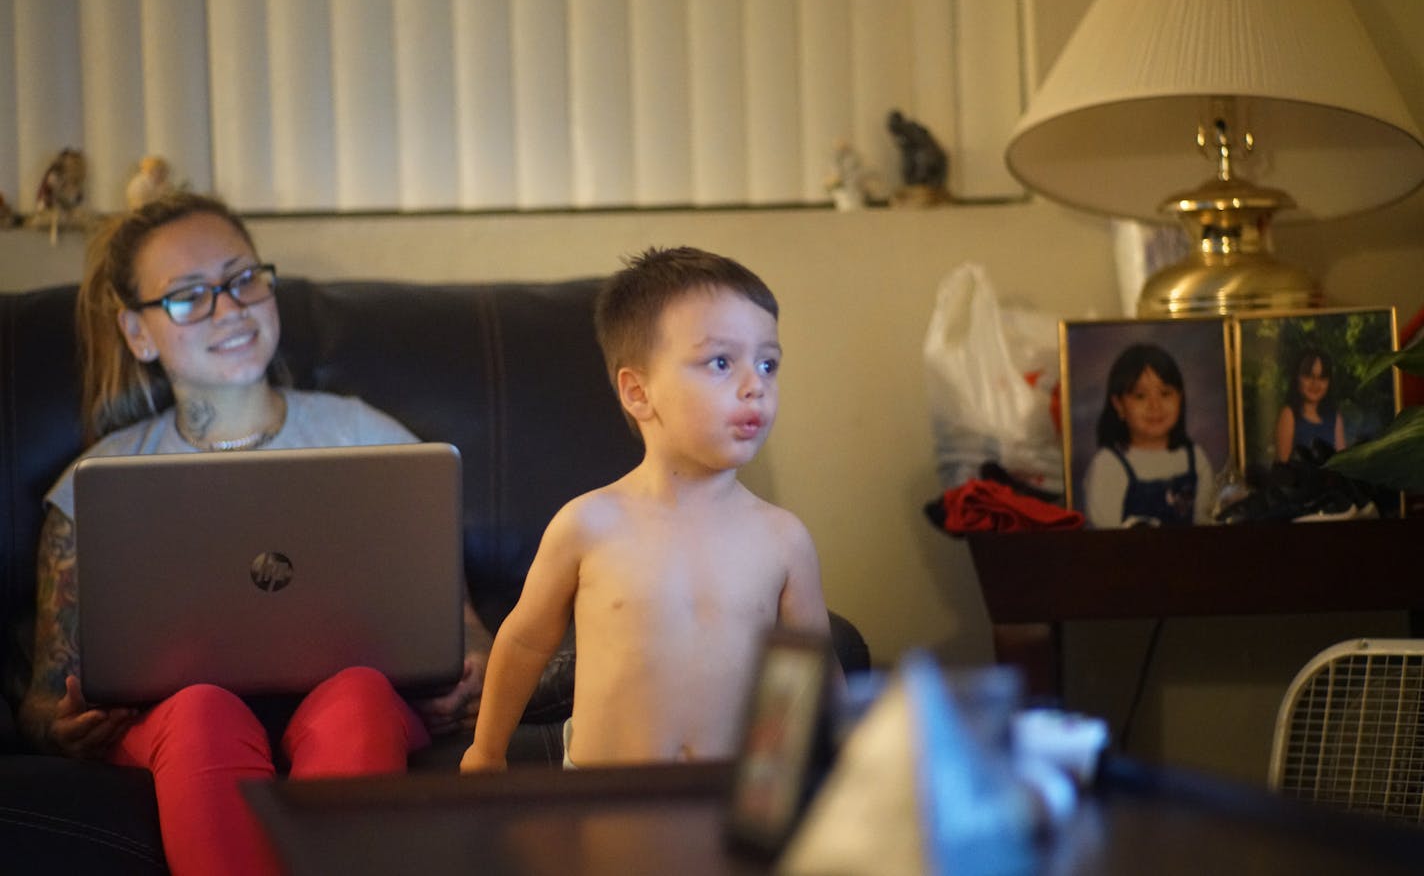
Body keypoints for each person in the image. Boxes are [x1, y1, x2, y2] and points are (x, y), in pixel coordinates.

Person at [17, 192, 491, 876]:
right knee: (201, 710)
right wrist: (58, 727)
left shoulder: (366, 436)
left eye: (244, 280)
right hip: (178, 724)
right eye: (188, 297)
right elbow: (42, 696)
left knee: (355, 697)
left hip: (361, 699)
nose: (230, 308)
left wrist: (473, 673)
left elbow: (464, 628)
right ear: (138, 332)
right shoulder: (98, 481)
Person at [460, 246, 839, 771]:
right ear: (638, 393)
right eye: (722, 362)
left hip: (730, 798)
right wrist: (486, 750)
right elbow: (524, 643)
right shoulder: (589, 524)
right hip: (605, 800)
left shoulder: (783, 538)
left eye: (768, 363)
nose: (755, 386)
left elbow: (812, 669)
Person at [1082, 343, 1216, 528]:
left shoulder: (1195, 458)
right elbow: (1105, 539)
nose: (1155, 406)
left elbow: (1207, 524)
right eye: (1140, 396)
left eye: (1165, 394)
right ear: (1119, 405)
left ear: (1181, 397)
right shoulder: (1107, 465)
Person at [1275, 346, 1347, 462]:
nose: (1315, 383)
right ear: (1297, 378)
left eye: (1322, 378)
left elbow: (1343, 464)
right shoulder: (1289, 414)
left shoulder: (1334, 417)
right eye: (1309, 376)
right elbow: (1283, 465)